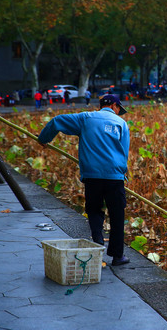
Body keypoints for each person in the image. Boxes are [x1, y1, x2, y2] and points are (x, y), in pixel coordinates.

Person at [37, 94, 131, 266]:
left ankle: (97, 245)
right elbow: (124, 152)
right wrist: (122, 173)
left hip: (92, 176)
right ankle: (118, 256)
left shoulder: (85, 118)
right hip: (114, 177)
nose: (119, 112)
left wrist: (44, 139)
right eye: (119, 109)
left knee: (95, 211)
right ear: (115, 106)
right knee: (117, 215)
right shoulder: (121, 124)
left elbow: (57, 121)